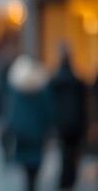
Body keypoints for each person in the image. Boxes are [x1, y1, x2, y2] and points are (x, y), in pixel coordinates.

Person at [1, 54, 56, 191]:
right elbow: (49, 110)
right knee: (35, 168)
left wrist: (11, 127)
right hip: (38, 132)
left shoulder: (16, 87)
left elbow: (12, 110)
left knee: (26, 170)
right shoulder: (42, 88)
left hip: (22, 133)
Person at [49, 48, 87, 190]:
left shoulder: (56, 82)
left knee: (64, 152)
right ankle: (70, 179)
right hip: (76, 122)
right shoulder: (77, 81)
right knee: (73, 151)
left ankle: (65, 180)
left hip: (62, 123)